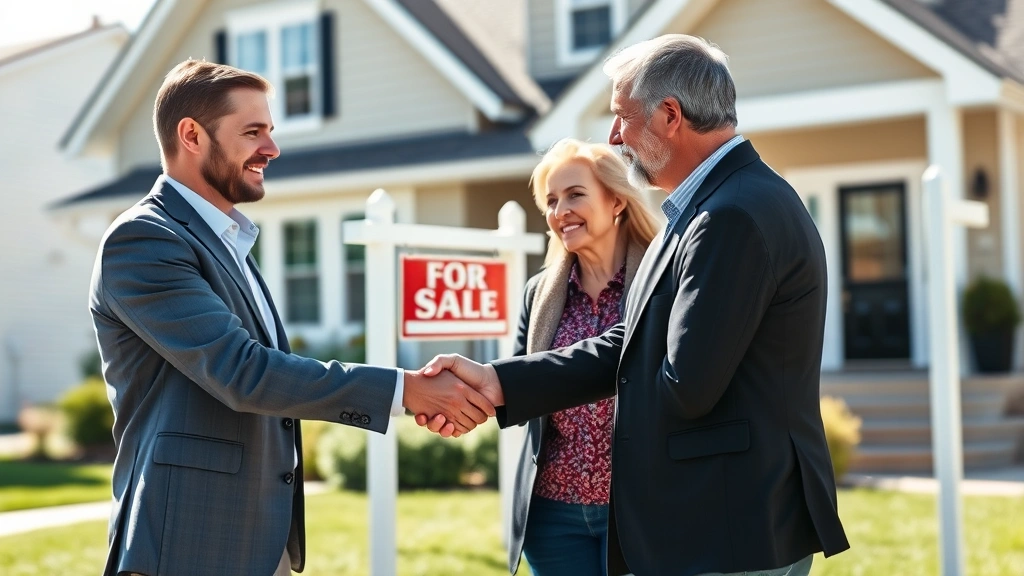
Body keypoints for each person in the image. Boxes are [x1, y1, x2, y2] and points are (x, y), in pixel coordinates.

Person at [418, 34, 850, 576]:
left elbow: (685, 384)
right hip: (726, 520)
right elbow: (635, 343)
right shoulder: (713, 207)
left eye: (623, 116)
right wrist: (498, 381)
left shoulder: (730, 217)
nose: (615, 135)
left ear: (671, 114)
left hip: (731, 525)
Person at [89, 59, 493, 576]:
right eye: (252, 132)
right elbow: (244, 372)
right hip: (187, 540)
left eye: (270, 131)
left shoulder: (228, 241)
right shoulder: (144, 241)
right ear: (191, 135)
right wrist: (406, 390)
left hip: (257, 537)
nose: (272, 149)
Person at [508, 139, 658, 575]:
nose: (560, 211)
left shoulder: (662, 281)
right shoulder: (539, 295)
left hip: (640, 510)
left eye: (575, 194)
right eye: (551, 201)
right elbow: (520, 388)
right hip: (553, 515)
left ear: (616, 200)